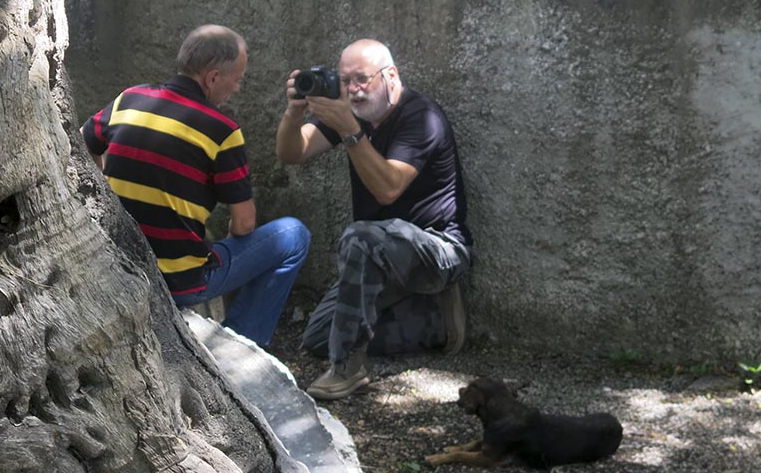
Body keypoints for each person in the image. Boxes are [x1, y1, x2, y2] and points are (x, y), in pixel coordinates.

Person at [81, 24, 310, 347]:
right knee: (294, 235)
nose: (238, 89)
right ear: (213, 78)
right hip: (179, 282)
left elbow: (83, 143)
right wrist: (234, 234)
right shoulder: (222, 132)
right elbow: (244, 224)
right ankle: (241, 346)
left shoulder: (128, 99)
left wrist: (106, 192)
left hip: (117, 263)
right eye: (238, 79)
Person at [276, 38, 471, 399]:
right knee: (320, 337)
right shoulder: (352, 113)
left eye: (362, 79)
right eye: (345, 80)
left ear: (390, 76)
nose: (353, 89)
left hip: (437, 250)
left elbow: (387, 189)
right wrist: (293, 113)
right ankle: (435, 324)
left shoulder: (420, 116)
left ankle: (347, 368)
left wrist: (349, 129)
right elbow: (292, 152)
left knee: (361, 238)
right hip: (380, 257)